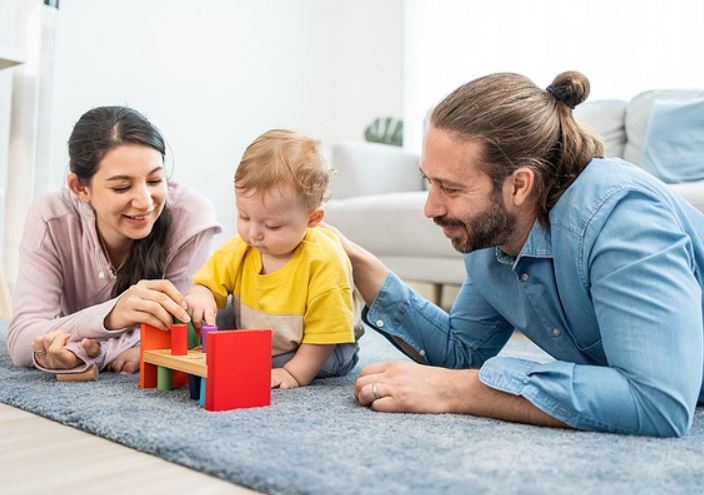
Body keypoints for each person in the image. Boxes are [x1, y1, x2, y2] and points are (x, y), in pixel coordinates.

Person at [338, 71, 704, 437]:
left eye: (450, 188)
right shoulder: (494, 238)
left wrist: (459, 390)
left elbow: (657, 402)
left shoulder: (623, 221)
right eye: (428, 181)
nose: (430, 208)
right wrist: (358, 264)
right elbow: (462, 353)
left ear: (519, 185)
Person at [7, 106, 221, 375]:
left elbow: (180, 327)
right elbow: (22, 338)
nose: (144, 202)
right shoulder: (51, 216)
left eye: (155, 179)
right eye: (121, 187)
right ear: (80, 188)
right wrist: (113, 315)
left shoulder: (191, 215)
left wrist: (92, 353)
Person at [185, 128, 362, 389]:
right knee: (213, 312)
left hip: (321, 347)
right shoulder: (243, 247)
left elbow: (324, 336)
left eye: (272, 226)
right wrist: (201, 293)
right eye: (244, 217)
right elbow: (207, 284)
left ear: (312, 219)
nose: (253, 233)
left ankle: (277, 363)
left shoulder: (324, 260)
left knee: (272, 362)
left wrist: (293, 374)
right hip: (262, 338)